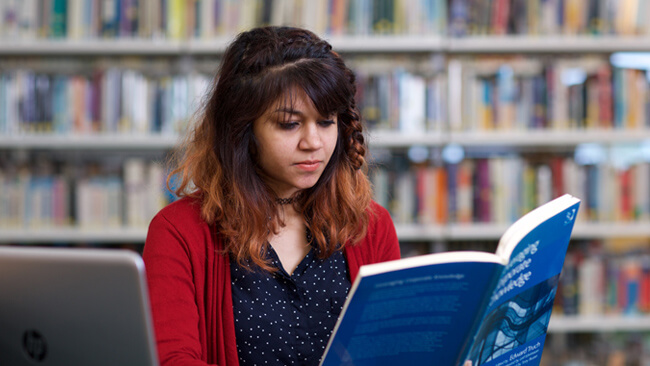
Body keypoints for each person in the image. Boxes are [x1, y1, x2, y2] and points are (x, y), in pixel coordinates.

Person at [143, 26, 400, 366]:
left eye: (326, 122)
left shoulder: (371, 226)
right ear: (242, 131)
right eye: (289, 124)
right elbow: (174, 359)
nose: (313, 142)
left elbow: (394, 351)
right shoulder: (178, 232)